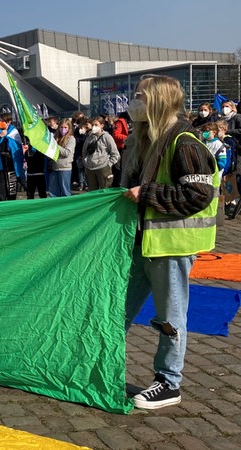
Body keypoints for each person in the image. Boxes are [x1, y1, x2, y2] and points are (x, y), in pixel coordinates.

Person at [122, 74, 219, 410]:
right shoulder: (145, 140)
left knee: (169, 317)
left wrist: (146, 194)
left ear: (159, 100)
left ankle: (168, 382)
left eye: (140, 96)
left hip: (170, 246)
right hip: (141, 243)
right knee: (115, 309)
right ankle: (101, 365)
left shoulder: (185, 142)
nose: (134, 102)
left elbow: (199, 194)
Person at [0, 114, 23, 201]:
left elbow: (17, 147)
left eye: (3, 121)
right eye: (0, 120)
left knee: (11, 185)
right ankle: (1, 203)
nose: (1, 123)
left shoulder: (14, 132)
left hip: (10, 162)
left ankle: (11, 203)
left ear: (9, 122)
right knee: (0, 186)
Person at [82, 116, 120, 191]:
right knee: (92, 192)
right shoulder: (89, 137)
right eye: (92, 125)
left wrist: (108, 164)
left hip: (103, 168)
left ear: (102, 125)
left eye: (96, 125)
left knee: (105, 191)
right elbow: (84, 151)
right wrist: (86, 162)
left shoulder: (107, 137)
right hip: (90, 168)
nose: (93, 127)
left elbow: (115, 154)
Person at [48, 118, 76, 197]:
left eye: (65, 127)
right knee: (53, 192)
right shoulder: (55, 137)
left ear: (69, 128)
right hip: (54, 167)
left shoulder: (71, 139)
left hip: (65, 168)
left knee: (65, 191)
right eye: (61, 127)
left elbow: (66, 153)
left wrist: (56, 146)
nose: (63, 129)